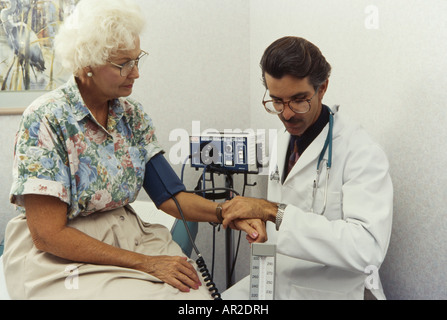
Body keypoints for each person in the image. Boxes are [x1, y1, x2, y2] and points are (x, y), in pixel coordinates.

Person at [1, 0, 264, 300]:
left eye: (137, 60)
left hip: (130, 236)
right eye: (123, 64)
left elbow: (171, 197)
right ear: (87, 63)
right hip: (63, 252)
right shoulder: (46, 118)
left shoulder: (132, 115)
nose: (135, 73)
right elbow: (47, 234)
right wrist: (148, 265)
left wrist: (226, 213)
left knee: (193, 296)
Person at [222, 36, 393, 300]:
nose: (287, 114)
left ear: (322, 88)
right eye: (277, 101)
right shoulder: (284, 139)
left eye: (299, 100)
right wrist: (263, 227)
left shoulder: (360, 151)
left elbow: (368, 250)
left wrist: (271, 211)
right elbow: (280, 230)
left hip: (335, 292)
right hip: (280, 282)